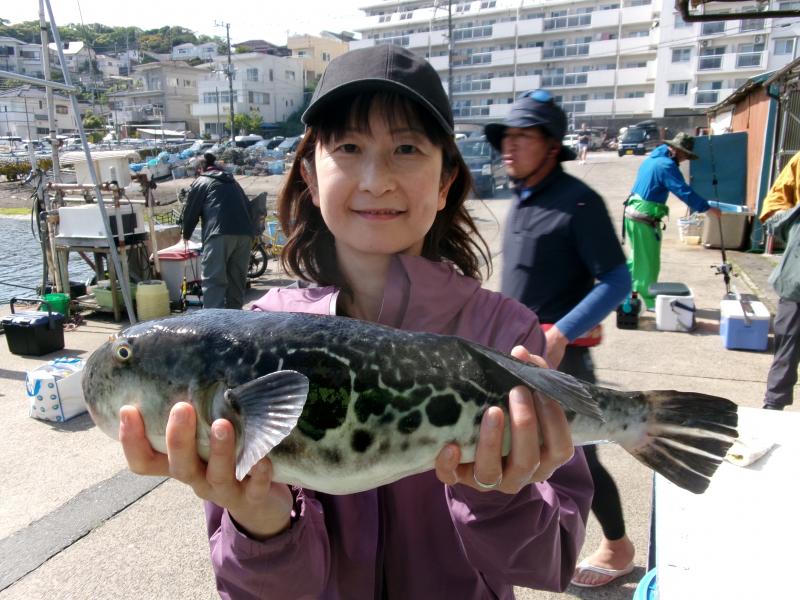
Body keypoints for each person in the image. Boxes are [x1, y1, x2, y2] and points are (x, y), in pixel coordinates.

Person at [118, 45, 593, 598]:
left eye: (408, 148)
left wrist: (497, 491)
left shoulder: (505, 333)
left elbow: (549, 560)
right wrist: (262, 522)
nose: (376, 179)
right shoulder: (250, 339)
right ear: (311, 180)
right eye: (348, 147)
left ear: (445, 183)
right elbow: (252, 590)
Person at [485, 90, 635, 588]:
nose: (509, 147)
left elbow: (617, 280)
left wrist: (561, 332)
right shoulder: (524, 196)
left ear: (551, 145)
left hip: (559, 360)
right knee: (520, 448)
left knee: (581, 455)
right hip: (517, 356)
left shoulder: (579, 202)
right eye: (506, 137)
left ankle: (617, 545)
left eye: (522, 137)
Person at [624, 132, 722, 309]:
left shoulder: (652, 159)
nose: (685, 159)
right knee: (648, 262)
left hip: (632, 212)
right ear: (675, 149)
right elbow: (682, 190)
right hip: (644, 217)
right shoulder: (666, 165)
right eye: (684, 154)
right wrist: (706, 208)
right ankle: (647, 299)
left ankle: (621, 288)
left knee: (637, 257)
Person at [181, 152, 255, 309]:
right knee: (237, 281)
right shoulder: (233, 182)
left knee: (214, 281)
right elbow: (248, 207)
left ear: (200, 169)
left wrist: (186, 234)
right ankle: (235, 321)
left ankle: (212, 326)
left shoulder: (202, 181)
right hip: (245, 235)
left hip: (219, 234)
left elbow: (191, 211)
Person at [760, 150, 800, 411]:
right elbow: (772, 211)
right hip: (796, 281)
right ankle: (773, 406)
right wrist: (794, 220)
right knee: (787, 341)